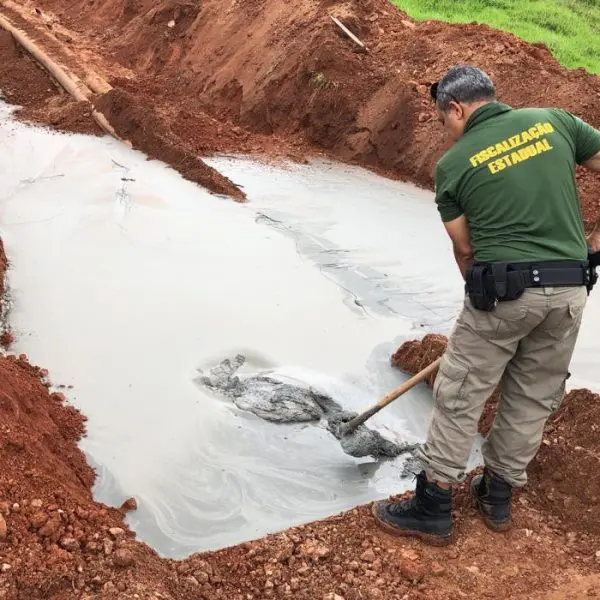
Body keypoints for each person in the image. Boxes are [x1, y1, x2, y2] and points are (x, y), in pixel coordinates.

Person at [372, 65, 600, 546]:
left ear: (456, 109)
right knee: (534, 393)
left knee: (460, 393)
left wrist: (480, 304)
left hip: (505, 291)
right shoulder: (556, 120)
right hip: (570, 289)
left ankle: (433, 505)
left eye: (443, 122)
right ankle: (496, 494)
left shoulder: (453, 166)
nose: (446, 132)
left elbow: (466, 250)